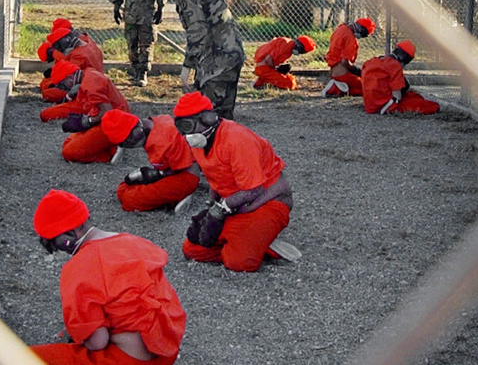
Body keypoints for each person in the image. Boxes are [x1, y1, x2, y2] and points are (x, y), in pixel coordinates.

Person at [30, 189, 186, 365]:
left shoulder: (79, 267)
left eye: (54, 242)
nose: (56, 250)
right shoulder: (134, 242)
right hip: (165, 354)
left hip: (127, 360)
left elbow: (98, 342)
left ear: (69, 235)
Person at [172, 92, 295, 272]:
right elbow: (215, 175)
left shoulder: (237, 139)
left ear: (209, 119)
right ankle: (251, 240)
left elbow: (254, 189)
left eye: (189, 125)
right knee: (192, 250)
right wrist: (213, 205)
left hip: (265, 202)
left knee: (239, 262)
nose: (186, 133)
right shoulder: (200, 142)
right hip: (238, 204)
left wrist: (220, 210)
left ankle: (259, 242)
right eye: (181, 127)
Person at [148, 0, 245, 120]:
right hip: (230, 55)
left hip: (218, 60)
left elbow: (197, 32)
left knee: (207, 117)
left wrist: (187, 66)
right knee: (224, 119)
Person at [101, 109, 200, 213]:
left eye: (129, 140)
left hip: (185, 175)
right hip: (169, 170)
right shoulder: (154, 123)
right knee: (122, 189)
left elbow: (179, 168)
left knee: (130, 200)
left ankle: (179, 196)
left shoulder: (162, 142)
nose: (130, 144)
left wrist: (155, 175)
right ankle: (168, 197)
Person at [41, 61, 130, 163]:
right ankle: (111, 146)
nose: (65, 88)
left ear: (70, 77)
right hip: (110, 119)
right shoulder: (87, 74)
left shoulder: (90, 82)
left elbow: (107, 111)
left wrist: (87, 121)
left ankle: (109, 155)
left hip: (114, 123)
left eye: (63, 84)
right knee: (67, 143)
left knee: (69, 153)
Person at [113, 0, 164, 87]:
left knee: (146, 45)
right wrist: (116, 7)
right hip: (130, 15)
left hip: (147, 16)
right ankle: (135, 70)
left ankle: (143, 73)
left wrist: (161, 8)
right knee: (132, 44)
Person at [361, 40, 440, 115]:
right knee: (433, 106)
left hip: (370, 105)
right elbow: (397, 96)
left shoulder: (371, 61)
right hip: (386, 104)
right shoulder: (394, 66)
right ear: (404, 58)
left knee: (414, 96)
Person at [40, 25, 105, 103]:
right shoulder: (88, 43)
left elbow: (71, 77)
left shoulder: (77, 55)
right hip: (95, 81)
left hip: (88, 88)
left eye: (58, 46)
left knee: (47, 91)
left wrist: (68, 96)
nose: (59, 50)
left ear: (66, 41)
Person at [322, 17, 376, 97]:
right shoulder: (350, 38)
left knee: (357, 89)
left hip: (334, 72)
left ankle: (340, 88)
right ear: (361, 29)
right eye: (364, 34)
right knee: (369, 88)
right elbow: (345, 62)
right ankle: (336, 88)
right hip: (343, 74)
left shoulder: (340, 29)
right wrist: (357, 71)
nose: (362, 36)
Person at [252, 35, 317, 90]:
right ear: (299, 46)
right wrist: (276, 70)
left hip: (263, 68)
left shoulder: (288, 44)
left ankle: (261, 82)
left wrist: (279, 69)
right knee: (290, 84)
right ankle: (267, 83)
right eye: (302, 51)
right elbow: (268, 59)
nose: (300, 53)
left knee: (290, 78)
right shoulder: (287, 46)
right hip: (263, 68)